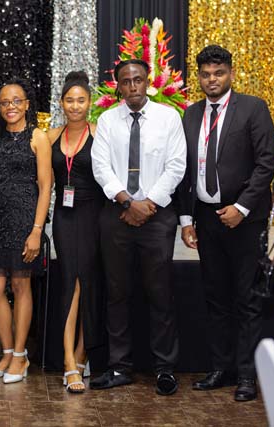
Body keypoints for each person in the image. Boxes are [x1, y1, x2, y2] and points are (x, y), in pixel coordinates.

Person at [178, 45, 274, 402]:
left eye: (218, 73)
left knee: (246, 299)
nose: (212, 80)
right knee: (215, 297)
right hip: (207, 218)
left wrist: (242, 207)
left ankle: (247, 376)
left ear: (231, 74)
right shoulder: (190, 114)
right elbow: (185, 170)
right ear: (199, 76)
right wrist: (187, 219)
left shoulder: (252, 108)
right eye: (206, 74)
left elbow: (267, 162)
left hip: (244, 218)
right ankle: (221, 368)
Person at [90, 59, 186, 396]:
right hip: (117, 214)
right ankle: (119, 367)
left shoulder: (168, 118)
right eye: (126, 81)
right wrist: (127, 201)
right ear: (117, 85)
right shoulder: (106, 120)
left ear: (148, 82)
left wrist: (148, 204)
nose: (132, 86)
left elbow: (176, 166)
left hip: (156, 217)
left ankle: (164, 368)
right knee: (117, 293)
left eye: (138, 80)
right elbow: (101, 166)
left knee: (160, 292)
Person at [0, 78, 51, 384]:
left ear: (26, 104)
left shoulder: (38, 137)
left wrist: (36, 230)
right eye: (4, 102)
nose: (10, 106)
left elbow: (45, 186)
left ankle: (20, 356)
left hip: (25, 221)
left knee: (21, 286)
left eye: (16, 101)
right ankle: (7, 352)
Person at [46, 71, 105, 393]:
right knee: (71, 283)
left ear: (89, 103)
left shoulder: (100, 134)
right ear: (61, 103)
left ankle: (82, 355)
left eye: (81, 100)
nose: (75, 106)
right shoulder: (50, 137)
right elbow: (39, 180)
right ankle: (69, 359)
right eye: (70, 100)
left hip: (95, 215)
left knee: (90, 284)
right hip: (64, 218)